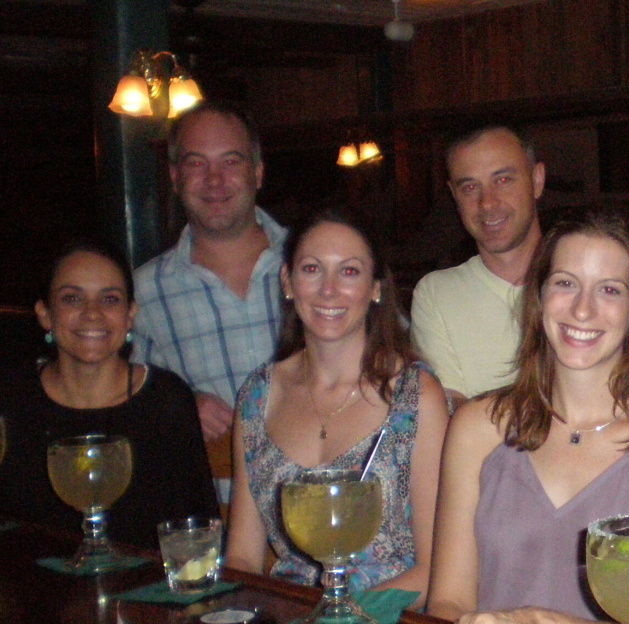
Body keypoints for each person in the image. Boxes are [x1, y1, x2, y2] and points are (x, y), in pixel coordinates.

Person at [427, 209, 629, 623]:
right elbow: (448, 602)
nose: (583, 310)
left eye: (609, 290)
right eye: (565, 283)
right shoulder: (477, 428)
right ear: (538, 296)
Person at [224, 209, 449, 601]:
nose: (328, 290)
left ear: (375, 288)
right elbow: (242, 556)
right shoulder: (258, 396)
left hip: (386, 613)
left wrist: (338, 616)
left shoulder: (416, 396)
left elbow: (435, 569)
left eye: (349, 272)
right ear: (288, 282)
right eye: (312, 269)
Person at [0, 239, 218, 550]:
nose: (93, 313)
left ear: (130, 315)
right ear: (45, 313)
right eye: (72, 298)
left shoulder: (165, 402)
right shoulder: (11, 399)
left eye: (110, 299)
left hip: (144, 581)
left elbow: (197, 535)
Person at [131, 101, 287, 443]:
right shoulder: (142, 293)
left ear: (258, 172)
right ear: (175, 177)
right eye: (196, 163)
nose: (214, 180)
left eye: (230, 161)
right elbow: (121, 400)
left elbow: (392, 359)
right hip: (209, 479)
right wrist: (175, 406)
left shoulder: (320, 265)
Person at [410, 125, 544, 410]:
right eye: (470, 187)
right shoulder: (437, 293)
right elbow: (448, 412)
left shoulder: (585, 283)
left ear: (537, 180)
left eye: (503, 180)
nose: (487, 203)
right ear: (454, 195)